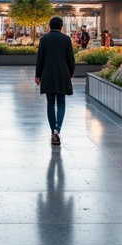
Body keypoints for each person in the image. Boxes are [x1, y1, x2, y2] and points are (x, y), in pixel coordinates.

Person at [35, 16, 76, 147]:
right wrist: (70, 73)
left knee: (50, 103)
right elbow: (71, 59)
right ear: (61, 26)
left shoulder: (44, 39)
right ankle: (58, 128)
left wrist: (38, 75)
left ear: (49, 25)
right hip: (62, 74)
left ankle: (53, 130)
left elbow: (40, 59)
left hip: (47, 74)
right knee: (61, 103)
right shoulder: (66, 39)